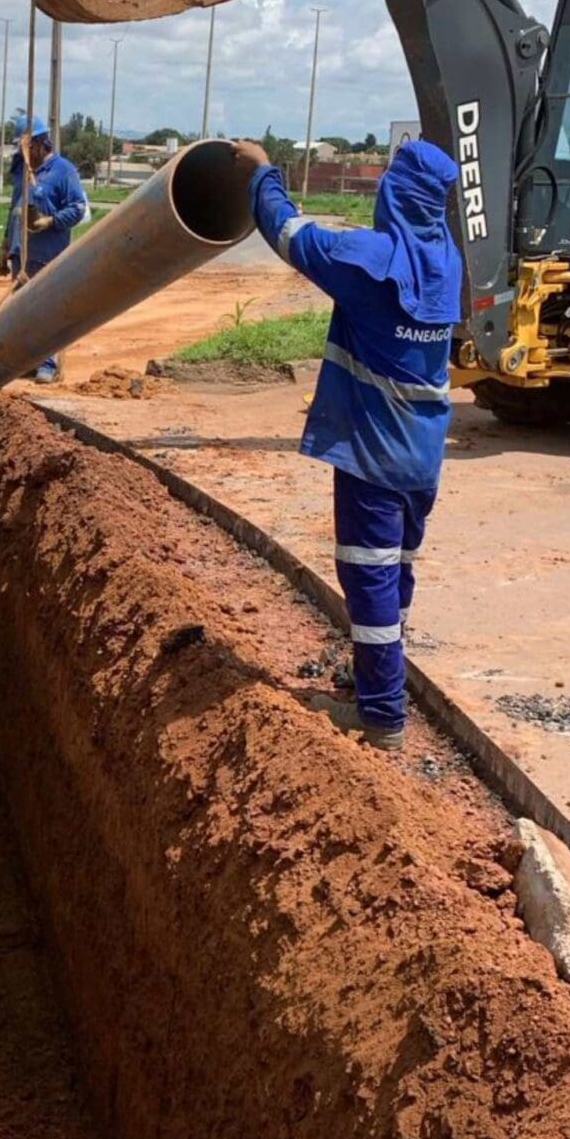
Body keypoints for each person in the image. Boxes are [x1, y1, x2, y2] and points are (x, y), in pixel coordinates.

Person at [232, 135, 465, 751]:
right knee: (396, 578)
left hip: (374, 457)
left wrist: (262, 171)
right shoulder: (446, 263)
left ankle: (381, 715)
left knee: (368, 580)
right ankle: (374, 679)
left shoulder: (370, 262)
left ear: (396, 192)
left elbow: (288, 233)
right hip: (422, 458)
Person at [0, 115, 88, 382]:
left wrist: (50, 221)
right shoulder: (22, 170)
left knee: (46, 310)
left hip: (48, 255)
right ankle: (27, 361)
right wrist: (5, 245)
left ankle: (47, 364)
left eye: (24, 146)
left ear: (38, 142)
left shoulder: (63, 171)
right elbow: (14, 208)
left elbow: (78, 209)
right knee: (21, 312)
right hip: (21, 254)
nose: (20, 152)